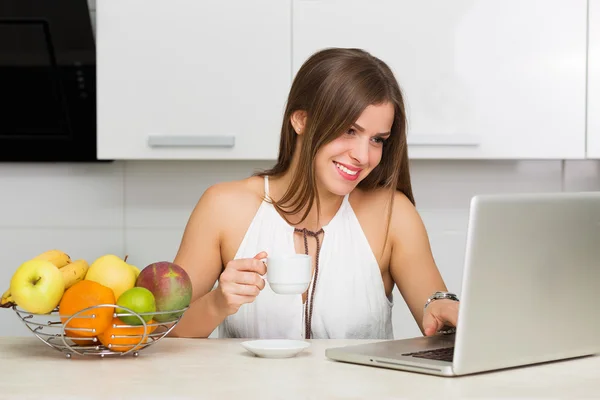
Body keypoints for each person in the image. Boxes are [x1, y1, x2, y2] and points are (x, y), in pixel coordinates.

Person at [169, 47, 459, 340]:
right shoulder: (223, 208)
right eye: (348, 130)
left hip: (365, 388)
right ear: (301, 121)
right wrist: (218, 303)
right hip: (247, 388)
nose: (362, 155)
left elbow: (436, 311)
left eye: (377, 139)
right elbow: (165, 333)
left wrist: (443, 309)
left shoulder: (393, 215)